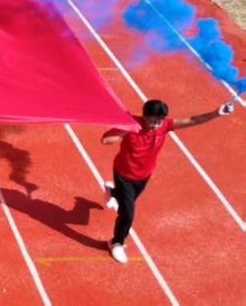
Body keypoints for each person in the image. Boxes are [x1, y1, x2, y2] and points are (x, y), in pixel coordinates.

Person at [101, 98, 235, 264]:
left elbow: (192, 120)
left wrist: (216, 113)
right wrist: (126, 129)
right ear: (145, 116)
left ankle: (112, 192)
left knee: (126, 204)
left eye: (160, 119)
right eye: (154, 119)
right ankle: (116, 243)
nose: (157, 123)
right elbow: (105, 140)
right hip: (124, 175)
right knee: (127, 214)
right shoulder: (132, 124)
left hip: (144, 176)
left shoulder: (164, 125)